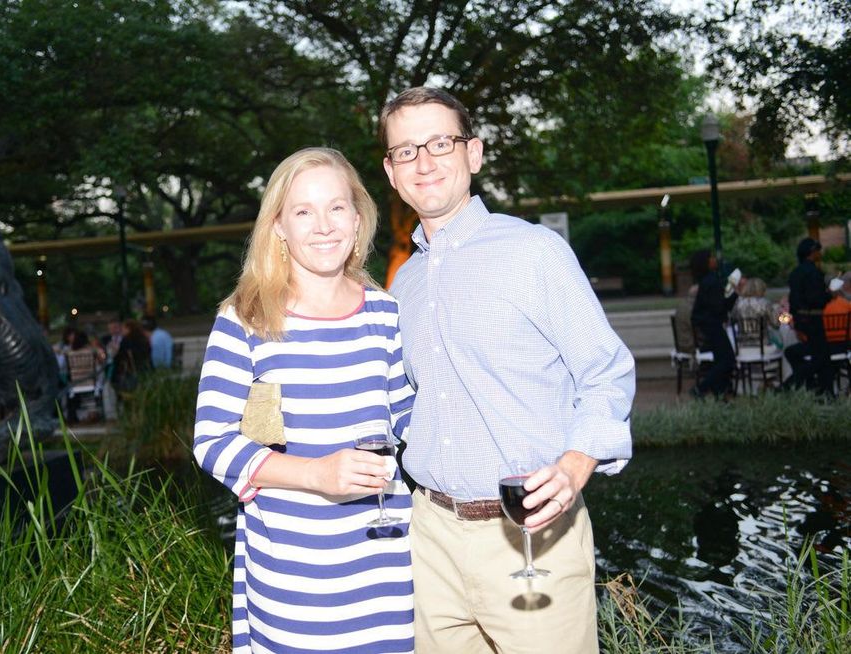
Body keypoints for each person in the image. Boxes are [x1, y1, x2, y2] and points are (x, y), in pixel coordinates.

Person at [380, 87, 634, 653]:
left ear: (474, 153)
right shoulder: (404, 285)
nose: (423, 161)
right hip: (429, 539)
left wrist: (574, 466)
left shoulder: (534, 252)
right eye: (405, 151)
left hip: (530, 537)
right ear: (391, 174)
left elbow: (606, 371)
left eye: (440, 142)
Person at [193, 147, 415, 653]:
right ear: (278, 228)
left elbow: (408, 421)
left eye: (337, 207)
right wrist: (316, 474)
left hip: (385, 571)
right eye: (303, 211)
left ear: (358, 221)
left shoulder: (385, 313)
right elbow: (212, 442)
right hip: (294, 578)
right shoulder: (246, 317)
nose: (323, 226)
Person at [689, 249, 742, 398]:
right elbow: (719, 306)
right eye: (711, 257)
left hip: (708, 324)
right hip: (712, 325)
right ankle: (702, 388)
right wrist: (734, 293)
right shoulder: (711, 281)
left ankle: (721, 392)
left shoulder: (707, 280)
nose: (714, 260)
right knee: (727, 359)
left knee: (721, 358)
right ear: (706, 262)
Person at [782, 238, 831, 394]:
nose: (819, 253)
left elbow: (793, 301)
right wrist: (828, 295)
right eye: (817, 250)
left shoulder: (795, 274)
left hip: (801, 319)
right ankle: (790, 385)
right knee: (822, 357)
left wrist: (796, 323)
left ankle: (815, 387)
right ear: (812, 252)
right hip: (814, 319)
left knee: (817, 356)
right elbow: (816, 299)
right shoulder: (814, 273)